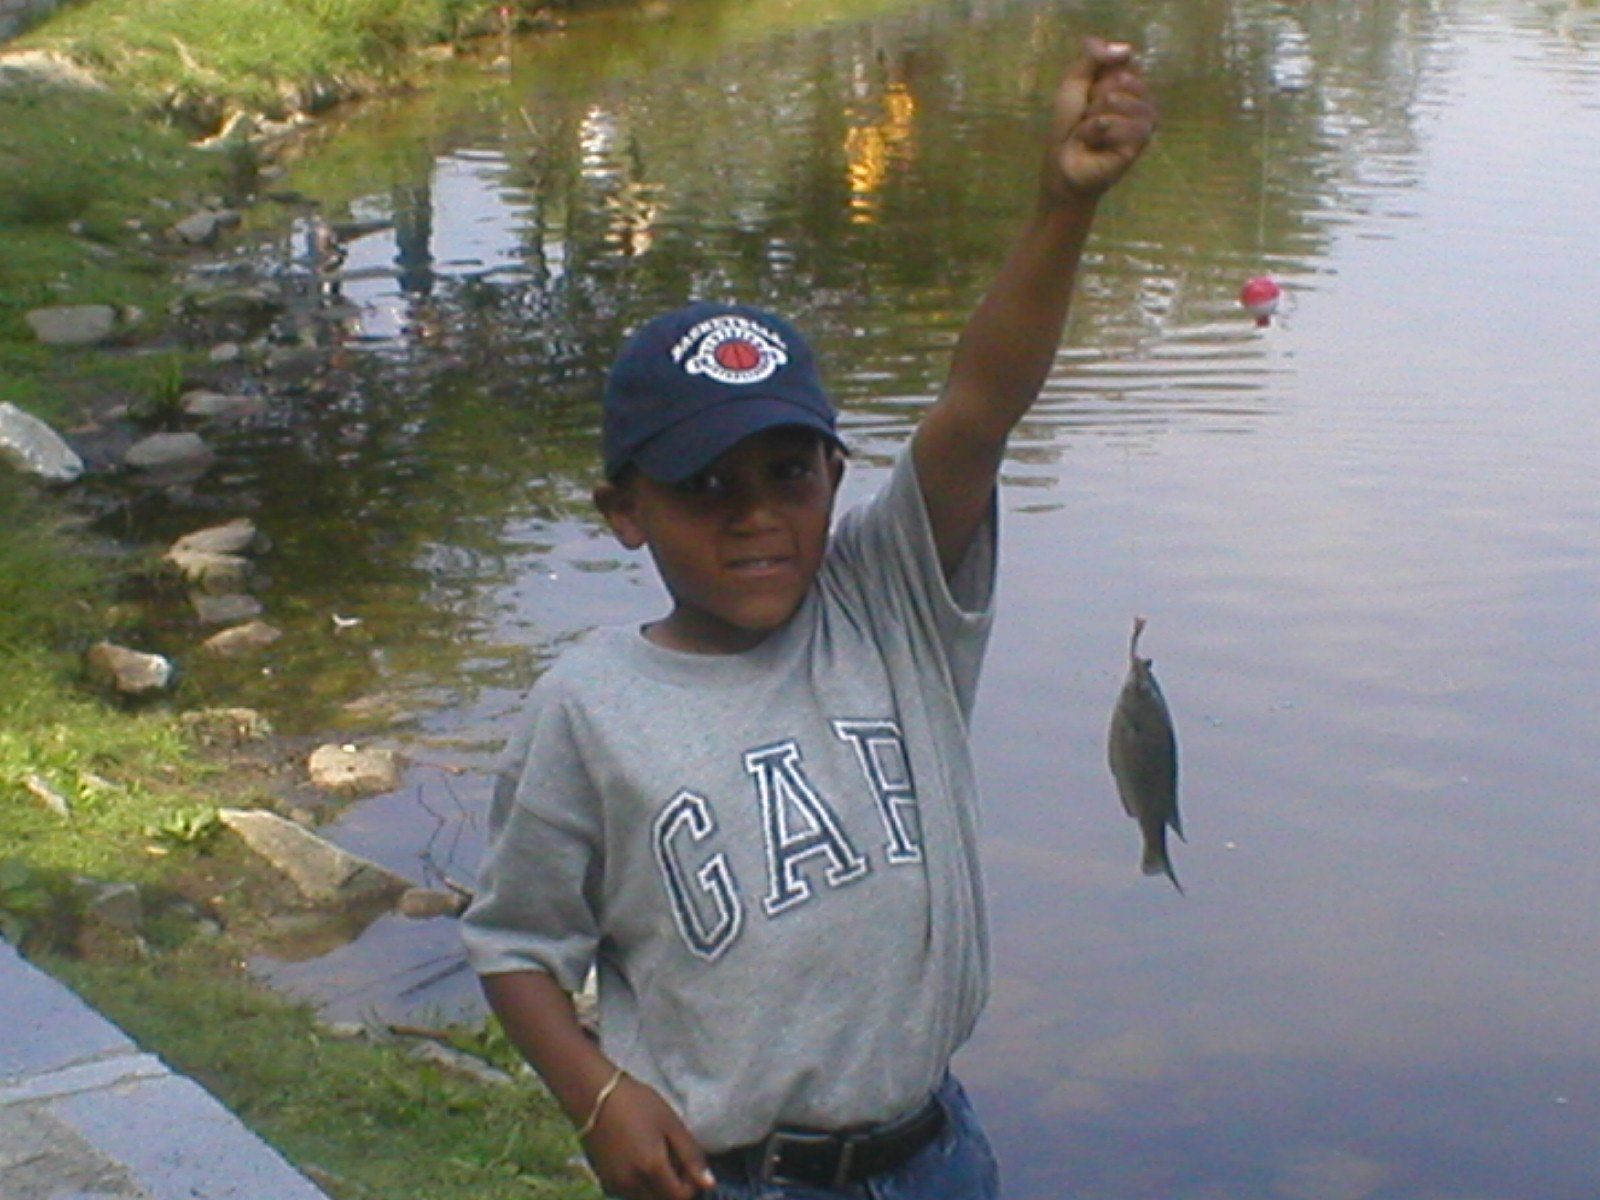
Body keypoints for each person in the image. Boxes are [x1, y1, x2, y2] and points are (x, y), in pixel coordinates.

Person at [461, 36, 1155, 1200]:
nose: (755, 520)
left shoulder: (889, 601)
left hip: (936, 1152)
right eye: (706, 488)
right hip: (730, 1178)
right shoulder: (587, 710)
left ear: (837, 476)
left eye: (789, 475)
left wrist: (1059, 208)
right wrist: (596, 1095)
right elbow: (516, 946)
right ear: (623, 512)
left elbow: (978, 407)